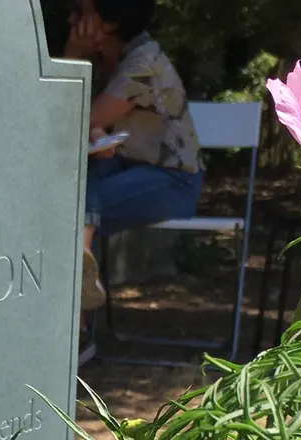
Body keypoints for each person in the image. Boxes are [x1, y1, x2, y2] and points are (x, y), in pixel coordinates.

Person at [65, 0, 203, 311]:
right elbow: (87, 123)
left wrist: (73, 53)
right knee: (73, 184)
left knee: (68, 205)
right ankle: (79, 268)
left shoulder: (144, 62)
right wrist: (97, 132)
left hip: (173, 182)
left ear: (110, 23)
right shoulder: (110, 58)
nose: (71, 18)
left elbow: (77, 119)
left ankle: (78, 265)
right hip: (124, 168)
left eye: (81, 10)